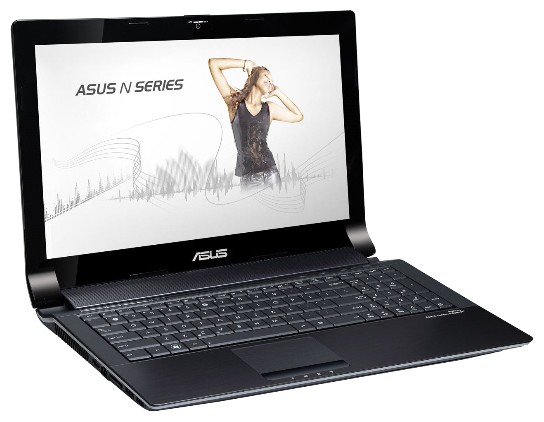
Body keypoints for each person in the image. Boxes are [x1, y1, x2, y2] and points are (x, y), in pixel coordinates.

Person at [208, 58, 303, 190]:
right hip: (249, 179)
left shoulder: (269, 108)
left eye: (271, 80)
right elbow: (213, 64)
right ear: (254, 76)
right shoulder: (235, 103)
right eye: (266, 75)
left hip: (271, 174)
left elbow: (298, 116)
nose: (270, 81)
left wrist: (278, 92)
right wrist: (244, 64)